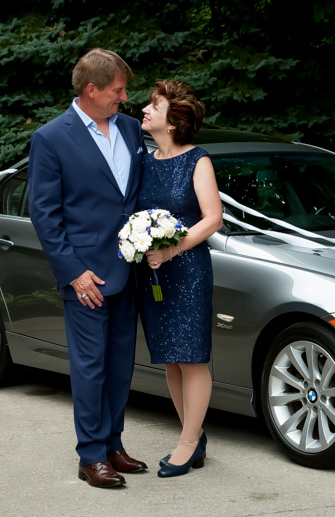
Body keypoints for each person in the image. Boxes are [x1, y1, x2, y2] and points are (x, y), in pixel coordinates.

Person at [28, 48, 148, 488]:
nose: (125, 97)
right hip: (86, 278)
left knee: (120, 365)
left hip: (128, 270)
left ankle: (114, 444)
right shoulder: (51, 137)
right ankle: (91, 455)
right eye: (118, 90)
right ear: (92, 90)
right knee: (90, 366)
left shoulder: (132, 130)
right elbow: (45, 214)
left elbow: (132, 198)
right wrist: (73, 272)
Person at [138, 81, 222, 478]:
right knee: (170, 359)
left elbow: (212, 218)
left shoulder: (197, 161)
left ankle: (187, 444)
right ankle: (195, 436)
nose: (145, 109)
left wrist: (172, 249)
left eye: (154, 106)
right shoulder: (145, 160)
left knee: (191, 358)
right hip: (153, 273)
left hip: (186, 270)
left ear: (173, 122)